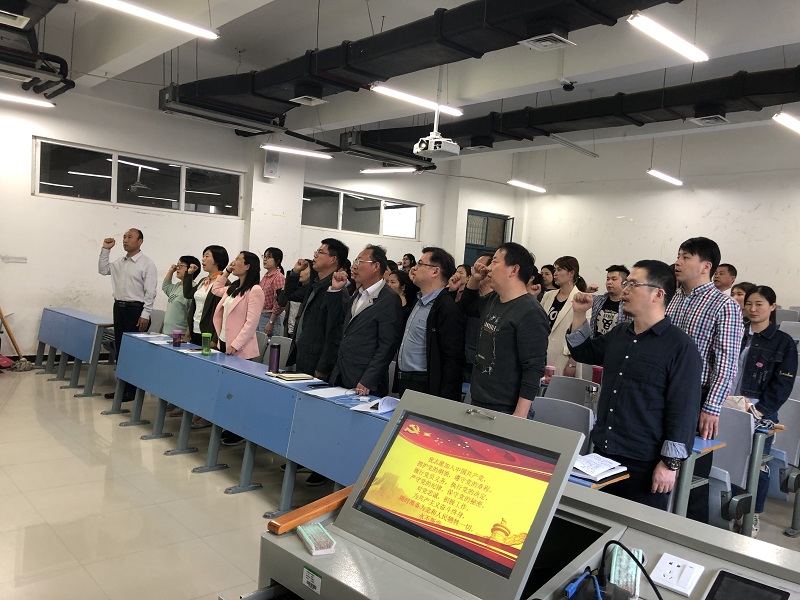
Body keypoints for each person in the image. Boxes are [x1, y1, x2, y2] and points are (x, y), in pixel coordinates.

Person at [567, 260, 702, 510]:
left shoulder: (680, 346)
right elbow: (583, 351)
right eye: (626, 283)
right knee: (595, 521)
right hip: (604, 453)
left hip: (645, 461)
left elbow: (684, 410)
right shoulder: (620, 334)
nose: (625, 290)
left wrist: (670, 464)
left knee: (636, 530)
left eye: (633, 284)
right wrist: (578, 314)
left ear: (658, 294)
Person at [667, 236, 743, 523]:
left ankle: (690, 532)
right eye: (678, 255)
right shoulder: (673, 299)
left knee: (691, 474)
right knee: (663, 467)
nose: (678, 262)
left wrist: (711, 407)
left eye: (686, 257)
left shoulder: (724, 306)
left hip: (697, 397)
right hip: (664, 392)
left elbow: (726, 363)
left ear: (705, 266)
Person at [729, 285, 797, 536]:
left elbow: (783, 384)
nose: (753, 309)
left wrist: (760, 410)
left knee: (757, 464)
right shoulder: (736, 331)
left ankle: (753, 513)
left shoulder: (783, 342)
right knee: (727, 459)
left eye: (759, 304)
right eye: (749, 303)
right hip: (728, 404)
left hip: (759, 410)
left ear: (772, 307)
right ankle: (727, 506)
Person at [459, 242, 548, 417]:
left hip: (506, 408)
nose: (489, 268)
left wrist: (519, 415)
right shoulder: (494, 299)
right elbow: (467, 307)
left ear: (514, 269)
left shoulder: (530, 312)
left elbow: (533, 368)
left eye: (495, 261)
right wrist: (475, 279)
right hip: (479, 400)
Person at [329, 244, 403, 398]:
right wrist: (336, 290)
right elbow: (340, 325)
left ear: (376, 266)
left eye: (360, 261)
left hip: (366, 383)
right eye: (355, 261)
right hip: (342, 374)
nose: (354, 266)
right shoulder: (358, 294)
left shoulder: (389, 299)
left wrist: (368, 380)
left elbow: (387, 345)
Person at [397, 247, 465, 401]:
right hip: (406, 379)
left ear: (435, 271)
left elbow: (452, 360)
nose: (414, 268)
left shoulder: (447, 308)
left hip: (425, 384)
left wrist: (444, 401)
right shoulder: (419, 300)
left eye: (420, 264)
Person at [99, 228, 157, 401]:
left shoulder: (147, 264)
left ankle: (132, 391)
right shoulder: (120, 262)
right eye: (124, 237)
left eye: (130, 237)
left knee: (134, 352)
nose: (125, 240)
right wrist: (106, 249)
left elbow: (150, 291)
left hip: (136, 311)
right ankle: (121, 388)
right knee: (121, 350)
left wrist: (146, 314)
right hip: (119, 308)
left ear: (140, 241)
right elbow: (103, 270)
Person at [285, 238, 349, 381]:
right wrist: (295, 273)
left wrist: (323, 368)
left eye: (320, 252)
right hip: (303, 354)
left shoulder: (336, 291)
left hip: (317, 362)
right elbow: (290, 295)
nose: (315, 255)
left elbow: (335, 333)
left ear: (333, 259)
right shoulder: (316, 284)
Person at [211, 251, 264, 358]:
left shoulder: (255, 290)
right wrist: (227, 272)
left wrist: (236, 345)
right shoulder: (233, 288)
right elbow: (215, 289)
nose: (233, 263)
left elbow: (251, 323)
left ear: (247, 266)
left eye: (237, 259)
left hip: (240, 347)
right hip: (223, 340)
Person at [540, 256, 583, 377]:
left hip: (564, 357)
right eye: (555, 270)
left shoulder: (581, 298)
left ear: (571, 273)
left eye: (559, 270)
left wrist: (572, 363)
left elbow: (581, 335)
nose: (555, 273)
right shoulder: (548, 296)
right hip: (543, 353)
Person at [453, 253, 493, 383]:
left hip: (481, 362)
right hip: (462, 357)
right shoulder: (471, 298)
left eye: (479, 266)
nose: (474, 270)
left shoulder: (496, 301)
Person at [183, 245, 229, 346]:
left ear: (217, 260)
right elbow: (188, 294)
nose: (203, 259)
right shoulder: (203, 281)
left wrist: (215, 339)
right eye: (203, 256)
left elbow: (223, 314)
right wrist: (189, 274)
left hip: (209, 333)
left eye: (207, 256)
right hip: (195, 329)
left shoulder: (224, 283)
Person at [162, 255, 200, 337]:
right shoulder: (177, 286)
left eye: (181, 265)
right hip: (167, 332)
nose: (177, 268)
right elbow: (165, 286)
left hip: (180, 334)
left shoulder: (193, 290)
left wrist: (187, 335)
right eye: (177, 265)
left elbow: (193, 316)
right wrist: (171, 270)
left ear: (191, 268)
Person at [590, 265, 631, 338]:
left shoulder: (630, 305)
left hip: (617, 344)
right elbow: (576, 299)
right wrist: (586, 291)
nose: (609, 282)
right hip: (596, 343)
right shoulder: (599, 300)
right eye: (608, 279)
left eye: (614, 279)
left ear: (625, 283)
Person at [277, 258, 315, 338]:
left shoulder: (311, 291)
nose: (300, 271)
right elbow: (281, 301)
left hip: (300, 332)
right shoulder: (294, 289)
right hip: (289, 329)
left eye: (304, 269)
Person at [258, 247, 286, 337]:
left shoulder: (278, 277)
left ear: (277, 260)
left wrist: (271, 322)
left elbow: (280, 302)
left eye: (269, 257)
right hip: (260, 315)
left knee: (268, 344)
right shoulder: (266, 276)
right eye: (264, 256)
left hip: (269, 317)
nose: (265, 259)